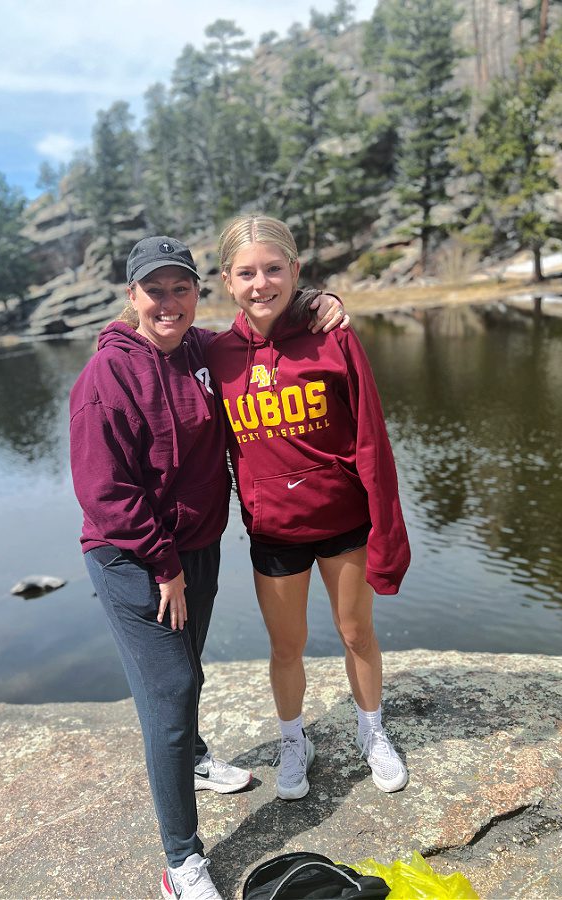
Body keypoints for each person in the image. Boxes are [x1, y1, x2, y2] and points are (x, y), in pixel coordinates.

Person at [69, 235, 348, 900]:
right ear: (131, 297)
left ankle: (192, 760)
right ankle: (180, 860)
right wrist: (162, 565)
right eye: (154, 290)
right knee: (167, 694)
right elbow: (104, 494)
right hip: (132, 556)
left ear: (198, 292)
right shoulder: (105, 378)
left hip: (194, 546)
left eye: (181, 288)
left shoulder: (198, 348)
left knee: (188, 669)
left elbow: (258, 326)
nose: (169, 302)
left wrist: (313, 303)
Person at [204, 214, 411, 804]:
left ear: (295, 272)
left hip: (344, 520)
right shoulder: (216, 356)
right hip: (274, 530)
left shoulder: (334, 337)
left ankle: (371, 730)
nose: (260, 283)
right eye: (246, 273)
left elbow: (372, 436)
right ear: (226, 280)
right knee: (285, 645)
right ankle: (294, 739)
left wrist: (388, 528)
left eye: (274, 269)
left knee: (356, 631)